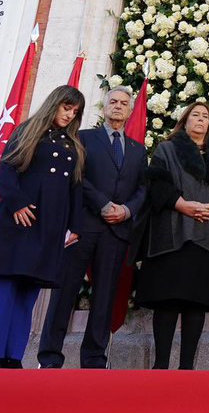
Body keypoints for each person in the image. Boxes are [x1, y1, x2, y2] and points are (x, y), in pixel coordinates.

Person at [0, 85, 87, 368]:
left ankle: (12, 355)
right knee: (5, 287)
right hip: (21, 221)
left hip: (50, 227)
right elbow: (7, 170)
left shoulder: (74, 145)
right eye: (66, 108)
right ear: (54, 104)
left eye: (75, 111)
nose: (69, 115)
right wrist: (17, 203)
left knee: (28, 292)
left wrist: (74, 227)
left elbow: (76, 189)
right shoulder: (28, 131)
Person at [38, 86, 147, 368]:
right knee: (65, 293)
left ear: (130, 110)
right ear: (104, 106)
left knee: (105, 298)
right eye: (113, 101)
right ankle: (50, 357)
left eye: (124, 103)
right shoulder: (84, 138)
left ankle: (94, 359)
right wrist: (103, 204)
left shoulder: (137, 150)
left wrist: (126, 209)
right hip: (83, 226)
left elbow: (142, 188)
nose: (118, 106)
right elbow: (77, 176)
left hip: (116, 233)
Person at [134, 101, 209, 369]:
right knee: (168, 302)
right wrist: (182, 205)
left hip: (208, 240)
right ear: (185, 121)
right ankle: (160, 366)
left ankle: (186, 368)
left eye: (206, 116)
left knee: (196, 304)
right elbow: (156, 184)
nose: (201, 119)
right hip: (173, 236)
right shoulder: (167, 149)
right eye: (196, 114)